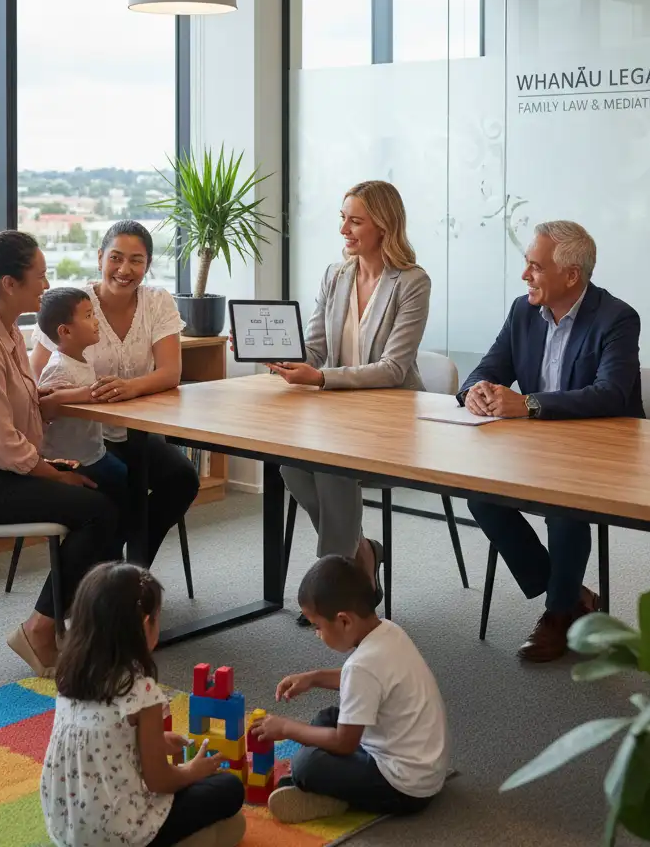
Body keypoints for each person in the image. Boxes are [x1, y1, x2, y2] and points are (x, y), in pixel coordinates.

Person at [0, 224, 122, 678]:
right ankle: (39, 628)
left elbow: (20, 411)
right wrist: (53, 473)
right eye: (40, 274)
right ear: (9, 284)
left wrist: (58, 409)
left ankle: (90, 621)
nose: (48, 285)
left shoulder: (7, 331)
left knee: (111, 487)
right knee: (98, 511)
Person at [458, 220, 643, 663]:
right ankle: (574, 594)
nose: (525, 276)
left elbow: (612, 393)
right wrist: (476, 393)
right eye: (527, 264)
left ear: (571, 276)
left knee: (565, 511)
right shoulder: (524, 312)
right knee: (481, 498)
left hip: (600, 451)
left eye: (535, 267)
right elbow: (486, 367)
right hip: (533, 448)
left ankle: (558, 613)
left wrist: (531, 405)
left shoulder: (617, 318)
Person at [275, 181, 430, 621]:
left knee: (329, 466)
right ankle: (360, 554)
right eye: (342, 217)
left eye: (355, 220)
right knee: (289, 461)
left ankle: (330, 589)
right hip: (338, 416)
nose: (344, 228)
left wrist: (321, 378)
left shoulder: (412, 282)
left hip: (392, 418)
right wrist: (275, 352)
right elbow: (316, 349)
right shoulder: (335, 274)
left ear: (384, 225)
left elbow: (394, 368)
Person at [30, 220, 199, 566]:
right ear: (100, 258)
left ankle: (132, 570)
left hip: (134, 433)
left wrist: (129, 388)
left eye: (137, 261)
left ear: (148, 266)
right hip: (81, 440)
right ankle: (107, 580)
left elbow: (171, 373)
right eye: (116, 258)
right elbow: (35, 382)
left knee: (183, 480)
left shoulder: (157, 302)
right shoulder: (71, 304)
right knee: (117, 500)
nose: (125, 270)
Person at [41, 562, 246, 847]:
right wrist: (194, 771)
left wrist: (157, 742)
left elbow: (103, 741)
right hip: (120, 835)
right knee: (229, 789)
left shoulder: (70, 677)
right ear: (145, 623)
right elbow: (159, 781)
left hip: (66, 829)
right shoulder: (141, 691)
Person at [251, 556, 448, 825]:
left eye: (318, 626)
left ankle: (329, 796)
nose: (317, 634)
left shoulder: (362, 666)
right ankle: (328, 787)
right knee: (327, 717)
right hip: (423, 768)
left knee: (306, 765)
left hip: (404, 788)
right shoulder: (389, 630)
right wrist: (314, 678)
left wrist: (286, 728)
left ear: (344, 621)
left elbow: (345, 743)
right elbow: (368, 682)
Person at [35, 286, 129, 496]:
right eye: (88, 316)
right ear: (65, 331)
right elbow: (43, 410)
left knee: (128, 483)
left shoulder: (80, 360)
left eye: (94, 314)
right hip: (74, 460)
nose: (96, 321)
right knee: (125, 490)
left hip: (94, 453)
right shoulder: (59, 367)